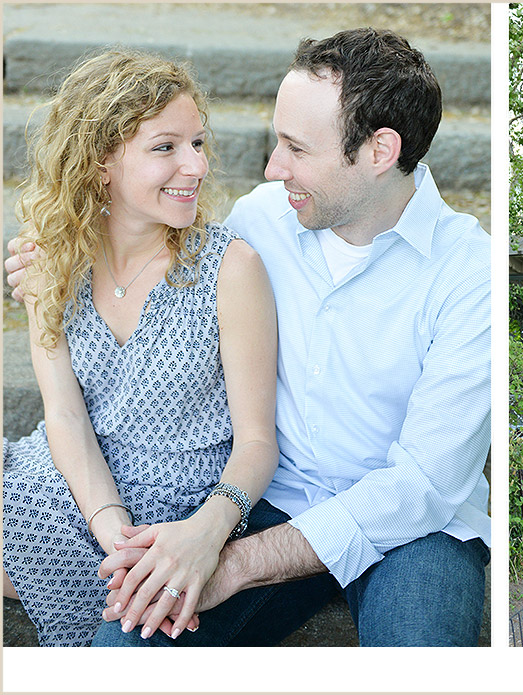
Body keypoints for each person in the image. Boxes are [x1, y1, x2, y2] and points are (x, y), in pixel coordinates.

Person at [5, 28, 492, 647]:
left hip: (413, 530)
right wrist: (47, 258)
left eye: (295, 147)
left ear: (379, 151)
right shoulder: (262, 219)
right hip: (268, 501)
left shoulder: (469, 273)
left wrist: (228, 562)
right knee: (127, 647)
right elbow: (150, 242)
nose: (270, 168)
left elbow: (423, 487)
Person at [1, 48, 279, 647]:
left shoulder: (231, 269)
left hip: (184, 511)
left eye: (198, 143)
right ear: (101, 162)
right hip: (71, 486)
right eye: (166, 148)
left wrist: (205, 527)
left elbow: (258, 443)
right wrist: (109, 526)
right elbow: (66, 416)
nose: (197, 166)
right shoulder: (56, 261)